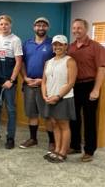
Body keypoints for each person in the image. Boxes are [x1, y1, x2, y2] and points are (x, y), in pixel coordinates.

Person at [68, 19, 105, 162]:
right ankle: (75, 145)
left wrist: (96, 90)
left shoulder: (96, 47)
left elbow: (101, 69)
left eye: (79, 28)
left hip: (90, 85)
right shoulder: (70, 47)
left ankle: (89, 150)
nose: (76, 30)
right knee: (74, 117)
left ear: (86, 29)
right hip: (74, 86)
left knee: (89, 120)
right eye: (74, 28)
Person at [19, 17, 55, 150]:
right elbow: (21, 62)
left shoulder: (52, 43)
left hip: (45, 85)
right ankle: (33, 139)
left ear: (47, 28)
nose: (41, 28)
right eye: (38, 25)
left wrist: (43, 80)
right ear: (34, 27)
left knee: (47, 115)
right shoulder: (27, 43)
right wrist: (25, 78)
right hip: (29, 84)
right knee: (32, 114)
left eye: (44, 25)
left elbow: (56, 64)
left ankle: (52, 141)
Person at [41, 35, 77, 163]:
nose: (57, 47)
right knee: (54, 124)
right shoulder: (48, 62)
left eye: (60, 44)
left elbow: (70, 83)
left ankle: (63, 152)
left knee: (64, 125)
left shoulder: (70, 61)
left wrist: (58, 96)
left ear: (66, 46)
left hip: (63, 98)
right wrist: (45, 95)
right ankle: (56, 149)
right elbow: (44, 82)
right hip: (50, 98)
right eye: (55, 44)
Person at [0, 15, 23, 149]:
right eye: (1, 24)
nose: (3, 26)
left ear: (10, 25)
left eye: (6, 24)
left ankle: (10, 138)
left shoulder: (15, 40)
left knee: (10, 110)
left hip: (9, 82)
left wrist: (11, 80)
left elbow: (18, 62)